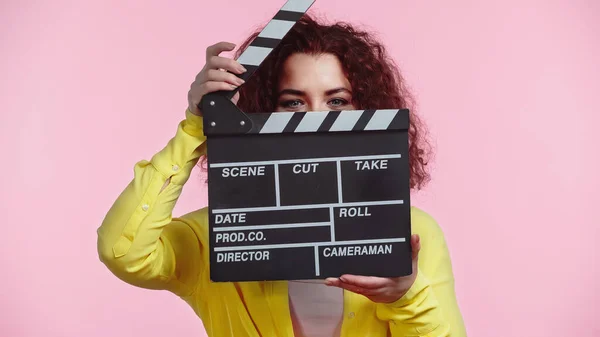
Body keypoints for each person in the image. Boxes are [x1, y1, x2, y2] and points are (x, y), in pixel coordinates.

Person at [97, 15, 466, 337]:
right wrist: (196, 126)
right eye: (293, 102)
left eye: (337, 101)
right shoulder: (221, 236)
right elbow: (123, 251)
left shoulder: (413, 233)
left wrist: (406, 295)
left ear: (366, 111)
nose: (316, 120)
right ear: (264, 111)